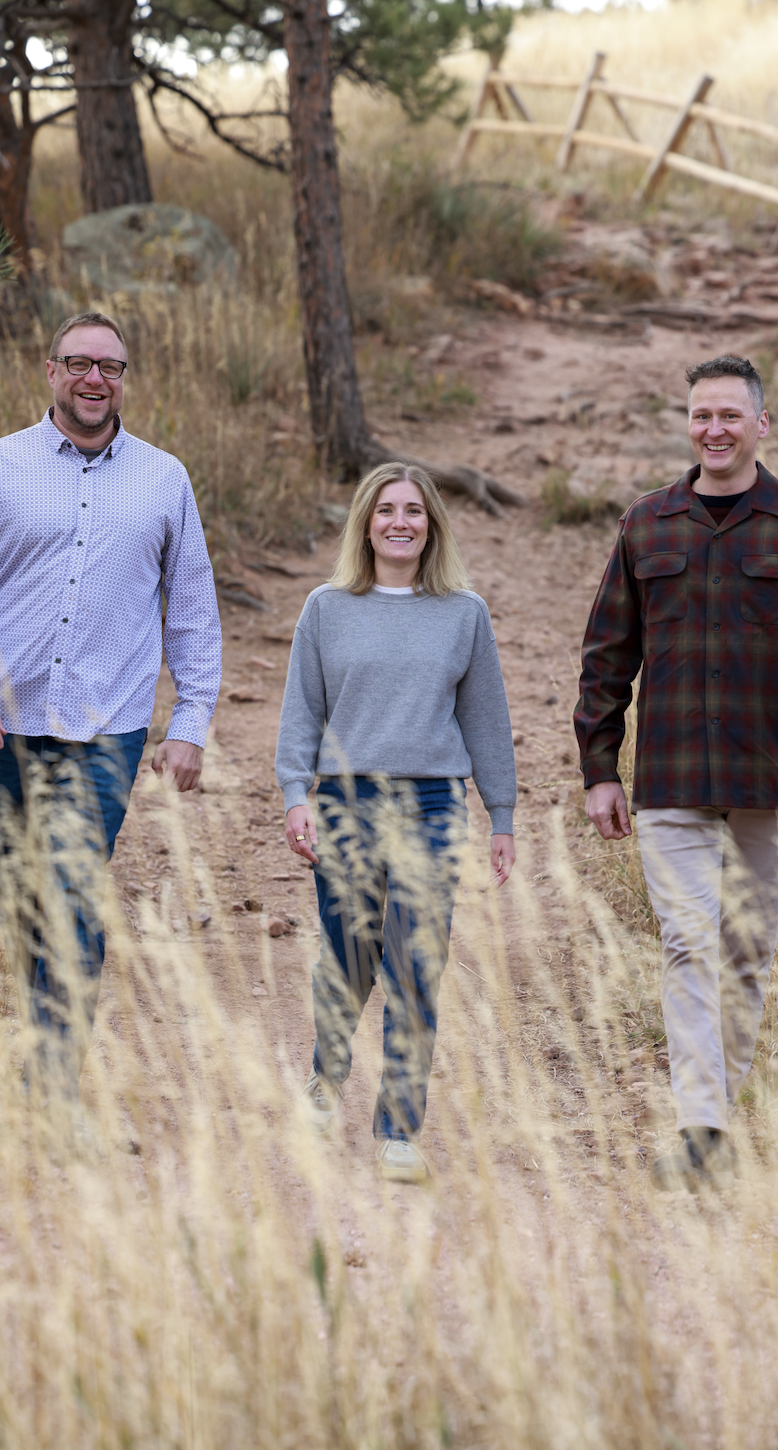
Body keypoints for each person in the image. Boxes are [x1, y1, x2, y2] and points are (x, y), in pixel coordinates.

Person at [0, 311, 221, 1121]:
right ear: (48, 370)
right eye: (81, 363)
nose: (96, 380)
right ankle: (38, 1047)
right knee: (22, 897)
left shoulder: (164, 480)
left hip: (106, 728)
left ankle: (52, 1093)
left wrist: (190, 718)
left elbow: (191, 608)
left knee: (76, 896)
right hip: (2, 724)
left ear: (125, 378)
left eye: (112, 367)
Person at [575, 353, 778, 1192]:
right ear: (688, 423)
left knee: (745, 953)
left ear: (761, 425)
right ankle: (700, 1130)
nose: (716, 429)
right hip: (669, 778)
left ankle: (716, 1116)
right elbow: (606, 656)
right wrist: (600, 767)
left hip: (770, 780)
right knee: (689, 944)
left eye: (732, 415)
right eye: (703, 415)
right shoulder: (646, 527)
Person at [275, 461, 517, 1183]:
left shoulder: (463, 612)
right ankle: (326, 1075)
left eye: (414, 510)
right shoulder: (326, 607)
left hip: (435, 803)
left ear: (432, 524)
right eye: (386, 511)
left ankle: (399, 1130)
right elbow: (301, 711)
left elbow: (486, 720)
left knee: (416, 963)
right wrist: (295, 794)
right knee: (349, 954)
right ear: (366, 523)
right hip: (346, 800)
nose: (400, 522)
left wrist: (500, 813)